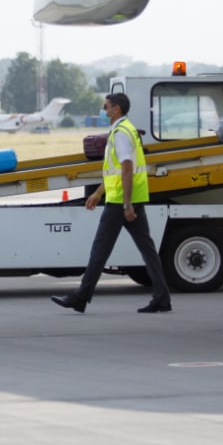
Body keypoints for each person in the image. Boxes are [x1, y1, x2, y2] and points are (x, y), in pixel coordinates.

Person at [51, 92, 172, 314]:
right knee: (147, 250)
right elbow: (115, 172)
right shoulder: (127, 129)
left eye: (106, 107)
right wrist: (99, 193)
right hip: (130, 199)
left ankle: (80, 297)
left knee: (100, 251)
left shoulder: (120, 133)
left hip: (120, 203)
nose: (103, 110)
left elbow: (126, 167)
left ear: (116, 109)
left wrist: (126, 204)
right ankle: (162, 299)